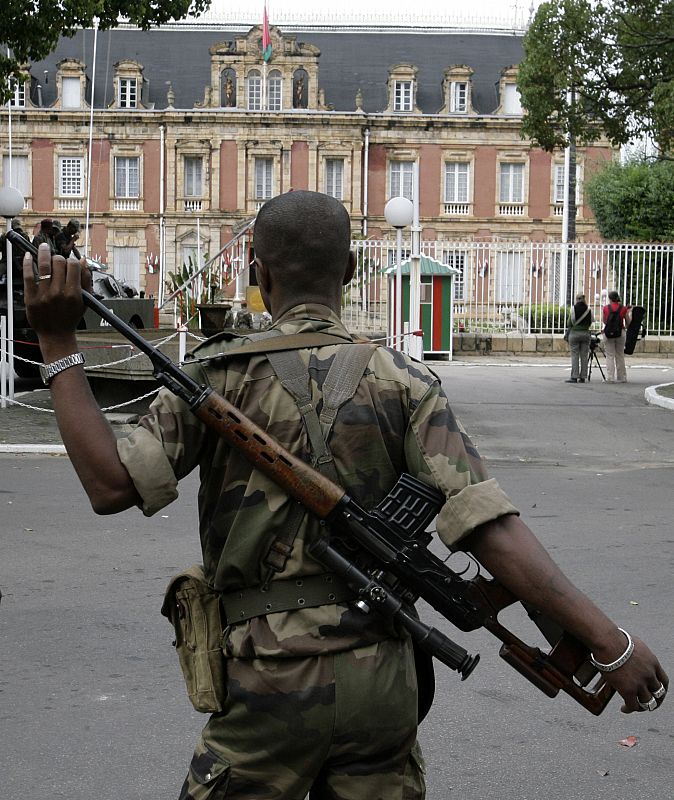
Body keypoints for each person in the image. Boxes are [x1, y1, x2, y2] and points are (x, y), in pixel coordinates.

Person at [22, 191, 668, 799]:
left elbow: (111, 485)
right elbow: (489, 528)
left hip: (266, 680)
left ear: (258, 272)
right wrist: (611, 644)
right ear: (353, 270)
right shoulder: (404, 380)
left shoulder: (219, 376)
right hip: (383, 681)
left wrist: (57, 342)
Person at [602, 290, 631, 383]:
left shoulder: (606, 308)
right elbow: (628, 322)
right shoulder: (623, 308)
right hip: (620, 333)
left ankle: (610, 377)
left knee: (610, 355)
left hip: (608, 334)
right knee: (620, 355)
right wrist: (624, 327)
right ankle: (622, 377)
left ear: (609, 299)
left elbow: (605, 321)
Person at [564, 292, 593, 383]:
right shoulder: (589, 309)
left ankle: (574, 376)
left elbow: (569, 323)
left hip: (575, 334)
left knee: (575, 355)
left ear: (577, 299)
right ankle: (583, 376)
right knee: (584, 355)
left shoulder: (573, 309)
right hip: (585, 334)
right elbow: (591, 321)